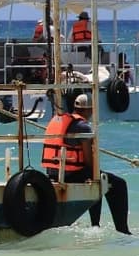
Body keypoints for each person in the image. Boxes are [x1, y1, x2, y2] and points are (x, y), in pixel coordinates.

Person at [40, 93, 131, 234]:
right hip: (71, 174)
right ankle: (122, 229)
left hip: (52, 172)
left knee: (97, 176)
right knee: (116, 183)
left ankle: (96, 224)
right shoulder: (83, 127)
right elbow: (88, 161)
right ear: (89, 110)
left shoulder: (60, 120)